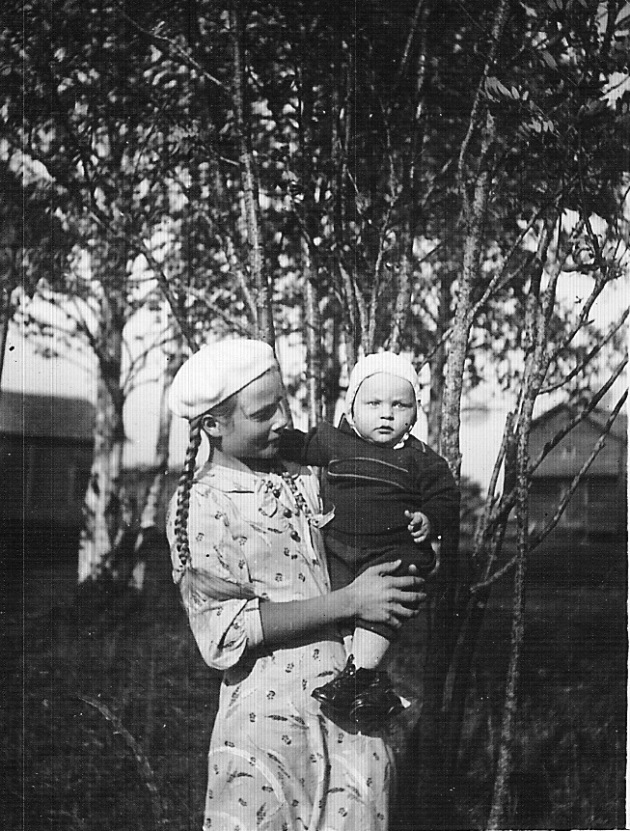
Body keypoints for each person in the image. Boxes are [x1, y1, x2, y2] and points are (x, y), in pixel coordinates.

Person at [166, 338, 426, 831]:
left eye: (282, 402)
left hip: (351, 718)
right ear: (213, 427)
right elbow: (224, 634)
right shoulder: (202, 505)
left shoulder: (308, 476)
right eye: (263, 414)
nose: (282, 420)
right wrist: (349, 601)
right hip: (269, 729)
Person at [280, 352, 460, 726]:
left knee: (386, 606)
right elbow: (296, 446)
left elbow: (445, 496)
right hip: (340, 550)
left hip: (391, 555)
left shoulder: (421, 461)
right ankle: (368, 684)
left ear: (414, 413)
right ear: (352, 409)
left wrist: (430, 518)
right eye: (374, 403)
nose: (386, 414)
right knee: (345, 613)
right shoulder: (334, 442)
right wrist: (271, 440)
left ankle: (360, 677)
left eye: (400, 405)